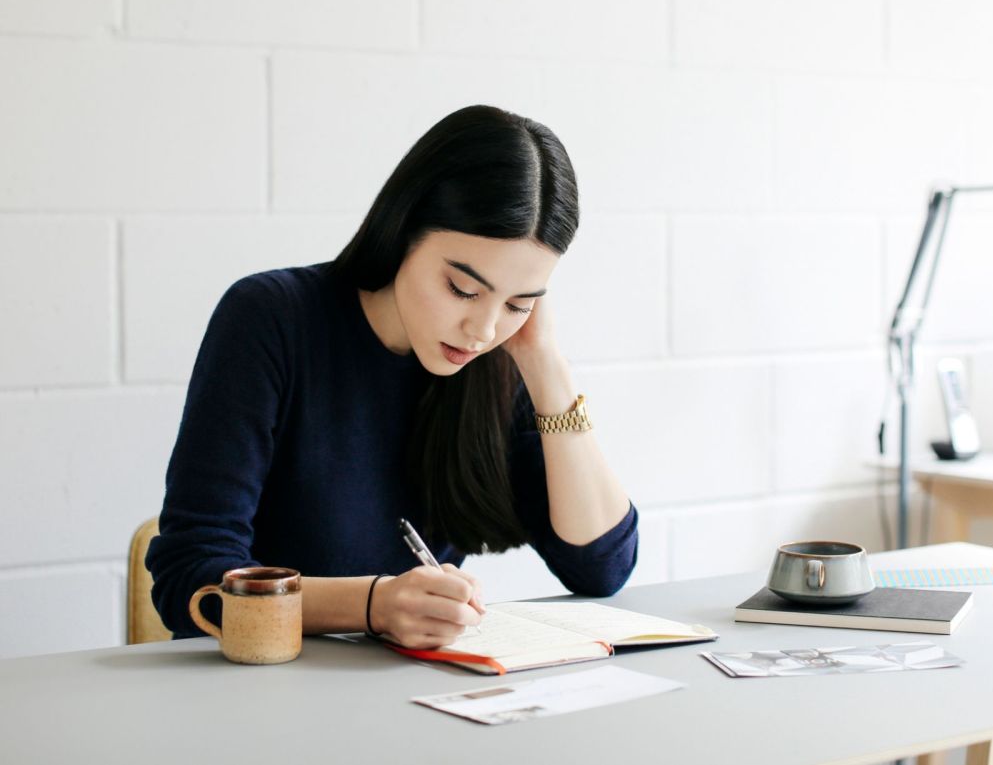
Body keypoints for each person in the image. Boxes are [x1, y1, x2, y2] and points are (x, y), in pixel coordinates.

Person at [147, 105, 637, 650]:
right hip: (263, 693)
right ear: (403, 230)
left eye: (520, 302)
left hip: (415, 701)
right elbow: (190, 581)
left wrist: (546, 363)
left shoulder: (495, 356)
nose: (482, 329)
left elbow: (601, 567)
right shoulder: (272, 318)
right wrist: (375, 605)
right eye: (462, 289)